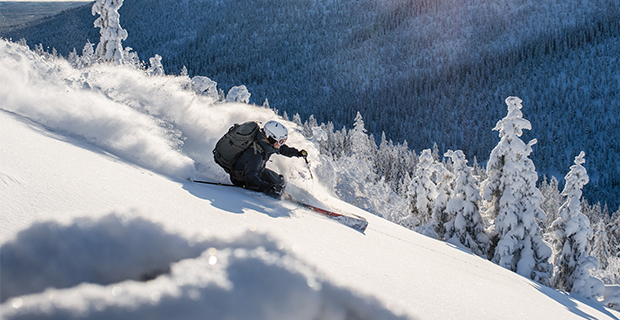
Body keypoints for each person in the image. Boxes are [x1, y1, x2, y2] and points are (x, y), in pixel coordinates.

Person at [230, 120, 307, 198]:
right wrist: (270, 188)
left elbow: (282, 149)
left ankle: (282, 192)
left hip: (257, 170)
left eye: (283, 142)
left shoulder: (267, 143)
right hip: (241, 178)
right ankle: (280, 196)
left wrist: (297, 153)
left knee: (280, 181)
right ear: (271, 138)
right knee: (275, 191)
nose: (281, 144)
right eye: (281, 141)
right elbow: (251, 179)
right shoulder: (255, 154)